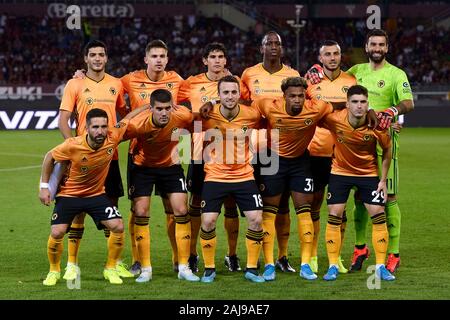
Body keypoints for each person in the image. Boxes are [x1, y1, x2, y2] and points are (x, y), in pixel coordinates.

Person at [306, 29, 414, 274]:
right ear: (366, 47)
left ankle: (393, 253)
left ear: (387, 48)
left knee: (388, 199)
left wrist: (392, 113)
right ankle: (360, 247)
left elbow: (409, 102)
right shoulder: (355, 72)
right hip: (350, 145)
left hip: (383, 142)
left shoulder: (396, 74)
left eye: (381, 45)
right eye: (373, 44)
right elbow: (326, 77)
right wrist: (313, 69)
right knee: (358, 200)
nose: (377, 48)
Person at [39, 108, 147, 286]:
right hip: (69, 195)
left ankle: (110, 268)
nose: (100, 131)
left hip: (96, 194)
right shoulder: (73, 144)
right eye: (95, 127)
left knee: (118, 226)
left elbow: (127, 118)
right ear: (87, 128)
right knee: (57, 232)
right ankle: (54, 270)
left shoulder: (113, 136)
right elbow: (49, 157)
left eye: (104, 126)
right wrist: (44, 187)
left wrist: (146, 107)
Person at [58, 40, 133, 282]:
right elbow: (63, 120)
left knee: (110, 209)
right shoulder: (75, 83)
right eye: (93, 55)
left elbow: (123, 115)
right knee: (77, 210)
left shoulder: (116, 84)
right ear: (86, 59)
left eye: (101, 54)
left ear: (106, 58)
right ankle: (71, 264)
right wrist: (72, 149)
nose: (98, 58)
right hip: (83, 158)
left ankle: (115, 263)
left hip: (109, 157)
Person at [255, 76, 335, 281]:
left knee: (304, 210)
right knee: (269, 213)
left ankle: (306, 264)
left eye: (301, 96)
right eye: (292, 96)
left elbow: (340, 110)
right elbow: (251, 110)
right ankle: (270, 264)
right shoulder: (269, 105)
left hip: (300, 162)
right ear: (284, 96)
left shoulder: (317, 108)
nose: (297, 100)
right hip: (273, 160)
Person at [120, 40, 184, 275]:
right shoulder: (129, 80)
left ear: (167, 59)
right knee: (138, 208)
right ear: (146, 59)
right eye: (154, 56)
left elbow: (194, 101)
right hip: (139, 154)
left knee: (174, 208)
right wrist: (82, 74)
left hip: (169, 153)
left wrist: (222, 74)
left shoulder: (177, 80)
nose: (158, 60)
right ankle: (138, 260)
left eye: (162, 56)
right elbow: (103, 84)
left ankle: (178, 259)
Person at [177, 42, 242, 273]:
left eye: (221, 57)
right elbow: (168, 92)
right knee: (195, 204)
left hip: (229, 152)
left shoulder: (236, 83)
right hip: (198, 151)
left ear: (226, 60)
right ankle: (193, 255)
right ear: (205, 60)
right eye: (212, 56)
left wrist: (213, 102)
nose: (217, 60)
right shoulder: (191, 83)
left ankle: (232, 255)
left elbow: (245, 106)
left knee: (231, 204)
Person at [320, 85, 395, 281]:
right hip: (340, 172)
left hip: (368, 174)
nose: (359, 106)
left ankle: (380, 266)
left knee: (378, 214)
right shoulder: (335, 119)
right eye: (355, 102)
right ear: (347, 104)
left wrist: (383, 180)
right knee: (334, 214)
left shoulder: (377, 125)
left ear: (368, 104)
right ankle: (333, 266)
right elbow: (316, 111)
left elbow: (387, 151)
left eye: (363, 102)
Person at [240, 31, 300, 273]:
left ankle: (282, 256)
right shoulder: (248, 74)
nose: (274, 47)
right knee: (250, 205)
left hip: (281, 148)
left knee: (282, 204)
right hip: (253, 147)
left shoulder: (293, 75)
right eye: (269, 43)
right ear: (261, 48)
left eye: (278, 43)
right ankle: (246, 257)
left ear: (282, 48)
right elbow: (242, 106)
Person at [125, 89, 199, 283]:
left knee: (182, 210)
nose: (164, 113)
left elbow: (196, 119)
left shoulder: (181, 115)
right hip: (143, 168)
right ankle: (146, 269)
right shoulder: (139, 123)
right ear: (152, 109)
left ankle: (184, 266)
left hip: (171, 166)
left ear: (173, 107)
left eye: (167, 108)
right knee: (141, 212)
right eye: (159, 109)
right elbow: (118, 129)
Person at [199, 75, 264, 283]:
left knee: (256, 219)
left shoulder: (252, 115)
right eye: (225, 92)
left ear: (239, 94)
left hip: (244, 175)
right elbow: (184, 117)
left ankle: (252, 269)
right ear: (218, 95)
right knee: (208, 221)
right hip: (215, 175)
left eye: (233, 92)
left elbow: (270, 118)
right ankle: (209, 269)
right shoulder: (207, 114)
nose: (230, 96)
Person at [306, 40, 356, 274]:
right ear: (320, 58)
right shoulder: (310, 82)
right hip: (315, 152)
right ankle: (313, 254)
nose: (333, 58)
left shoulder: (351, 81)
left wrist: (325, 107)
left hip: (342, 154)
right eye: (328, 54)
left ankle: (336, 258)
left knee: (340, 208)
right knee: (314, 203)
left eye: (336, 53)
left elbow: (356, 110)